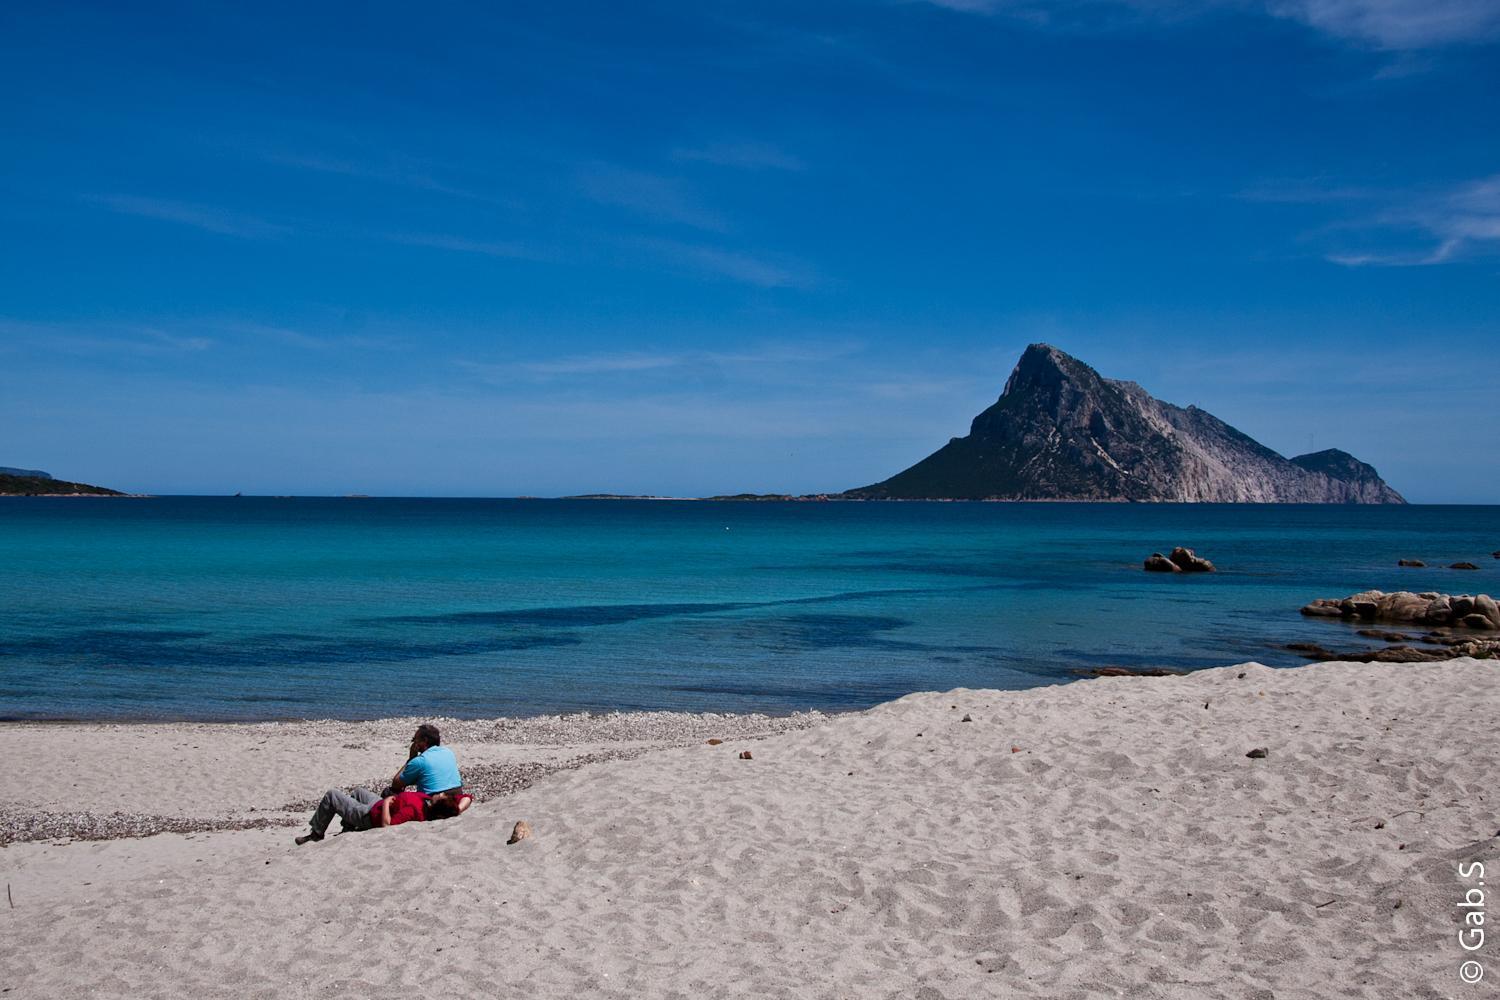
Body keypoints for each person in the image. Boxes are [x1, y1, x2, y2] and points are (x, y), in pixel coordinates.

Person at [385, 723, 463, 797]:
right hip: (457, 797)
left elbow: (396, 784)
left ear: (425, 741)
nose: (413, 743)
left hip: (433, 801)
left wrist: (411, 758)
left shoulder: (420, 761)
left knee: (389, 793)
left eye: (414, 740)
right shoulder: (448, 752)